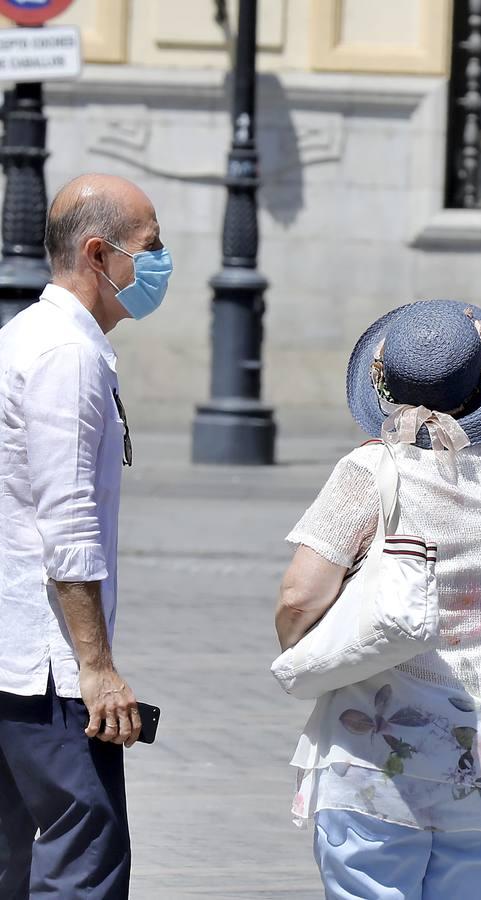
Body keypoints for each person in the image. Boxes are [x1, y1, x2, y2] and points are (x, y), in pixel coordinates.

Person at [276, 300, 481, 900]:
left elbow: (299, 596)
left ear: (383, 386)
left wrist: (305, 645)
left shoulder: (373, 470)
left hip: (379, 748)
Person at [0, 174, 172, 898]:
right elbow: (67, 524)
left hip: (11, 654)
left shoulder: (27, 337)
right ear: (99, 255)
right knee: (85, 860)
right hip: (46, 668)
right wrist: (95, 668)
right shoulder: (65, 357)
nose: (161, 264)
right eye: (151, 249)